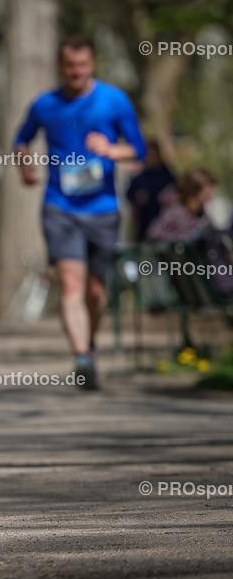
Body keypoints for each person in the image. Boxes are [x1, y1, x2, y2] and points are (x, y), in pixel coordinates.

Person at [14, 35, 146, 390]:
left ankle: (90, 343)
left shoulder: (113, 100)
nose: (76, 72)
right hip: (60, 205)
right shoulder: (45, 104)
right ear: (61, 65)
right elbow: (21, 141)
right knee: (71, 283)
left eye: (83, 65)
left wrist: (111, 150)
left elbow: (138, 149)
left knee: (95, 290)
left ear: (93, 64)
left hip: (102, 208)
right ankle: (82, 357)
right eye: (70, 65)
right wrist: (25, 166)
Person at [146, 168, 217, 243]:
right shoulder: (175, 212)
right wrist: (183, 239)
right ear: (194, 192)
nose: (210, 198)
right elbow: (153, 234)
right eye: (206, 194)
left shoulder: (202, 213)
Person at [126, 140, 175, 241]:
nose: (151, 158)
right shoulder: (139, 178)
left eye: (154, 155)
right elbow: (131, 199)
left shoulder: (168, 176)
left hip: (165, 224)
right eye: (149, 155)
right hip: (144, 224)